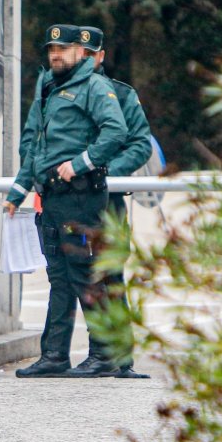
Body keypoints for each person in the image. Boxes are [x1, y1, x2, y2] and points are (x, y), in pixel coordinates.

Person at [4, 24, 128, 378]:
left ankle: (103, 355)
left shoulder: (93, 86)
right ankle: (55, 354)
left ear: (80, 52)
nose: (56, 55)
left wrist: (80, 164)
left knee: (86, 274)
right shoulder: (48, 88)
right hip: (53, 199)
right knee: (59, 277)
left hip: (81, 198)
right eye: (51, 50)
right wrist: (18, 191)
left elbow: (116, 132)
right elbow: (37, 147)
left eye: (63, 49)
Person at [64, 25, 152, 378]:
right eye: (78, 54)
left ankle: (119, 358)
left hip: (106, 201)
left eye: (90, 54)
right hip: (70, 199)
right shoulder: (59, 92)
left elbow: (140, 143)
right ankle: (92, 353)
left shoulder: (120, 94)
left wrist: (104, 173)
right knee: (76, 275)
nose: (84, 60)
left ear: (100, 56)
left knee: (110, 276)